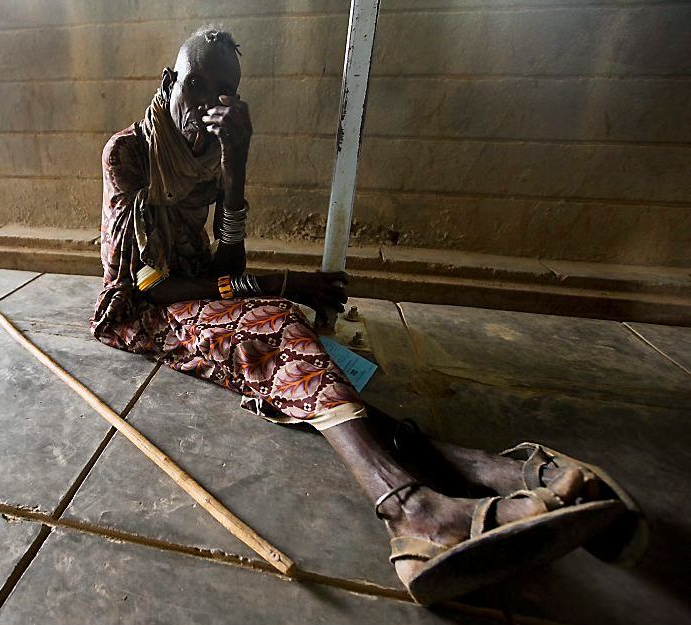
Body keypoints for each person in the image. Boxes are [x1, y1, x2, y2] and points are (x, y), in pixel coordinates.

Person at [90, 26, 644, 604]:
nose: (205, 103)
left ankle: (467, 468)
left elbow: (228, 264)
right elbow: (153, 284)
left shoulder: (211, 150)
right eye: (194, 84)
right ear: (168, 80)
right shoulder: (131, 151)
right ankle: (414, 506)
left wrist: (236, 167)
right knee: (276, 323)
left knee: (285, 340)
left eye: (222, 92)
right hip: (140, 309)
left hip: (198, 288)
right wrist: (281, 283)